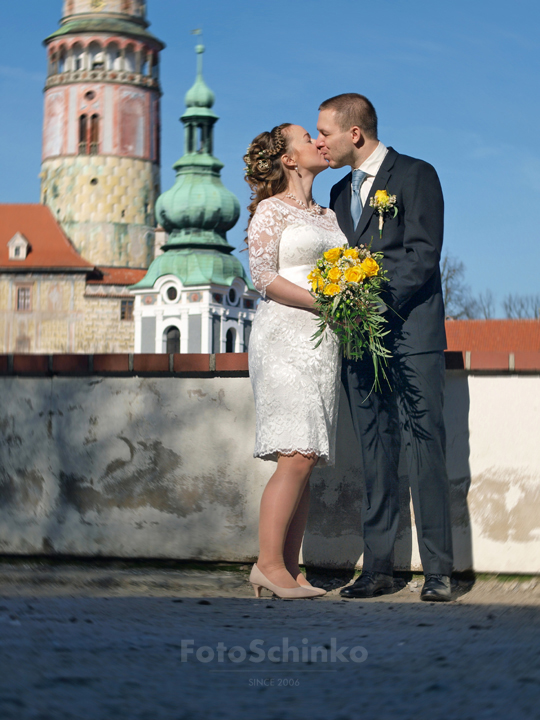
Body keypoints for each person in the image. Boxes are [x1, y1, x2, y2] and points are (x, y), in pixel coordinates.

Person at [316, 93, 454, 602]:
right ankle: (378, 570)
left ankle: (438, 571)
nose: (319, 141)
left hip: (412, 334)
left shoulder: (417, 175)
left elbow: (423, 254)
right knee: (374, 448)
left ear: (355, 133)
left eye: (325, 132)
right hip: (358, 339)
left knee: (425, 446)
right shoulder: (335, 193)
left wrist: (372, 301)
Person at [245, 123, 346, 599]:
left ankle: (290, 567)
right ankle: (267, 565)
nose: (318, 143)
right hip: (284, 334)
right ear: (288, 158)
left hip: (323, 341)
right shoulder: (271, 210)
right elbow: (262, 277)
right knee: (295, 453)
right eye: (307, 138)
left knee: (307, 456)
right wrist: (320, 303)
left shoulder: (328, 215)